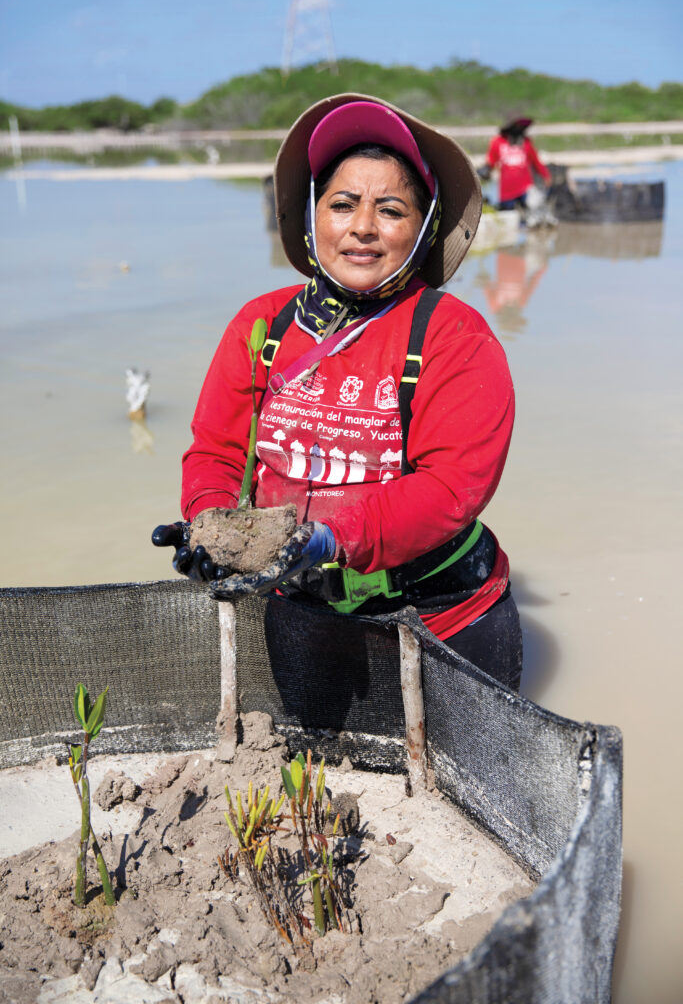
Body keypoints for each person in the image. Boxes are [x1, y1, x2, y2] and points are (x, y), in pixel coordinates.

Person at [153, 93, 523, 691]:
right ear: (313, 216)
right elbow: (217, 452)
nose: (363, 227)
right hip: (302, 611)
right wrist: (209, 522)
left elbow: (452, 488)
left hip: (441, 619)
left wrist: (330, 538)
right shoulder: (262, 325)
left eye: (392, 210)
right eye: (342, 204)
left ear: (424, 230)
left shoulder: (456, 335)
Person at [483, 116, 551, 212]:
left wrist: (545, 175)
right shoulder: (498, 142)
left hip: (525, 187)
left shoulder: (526, 142)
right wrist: (485, 171)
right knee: (509, 215)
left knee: (529, 212)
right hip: (507, 190)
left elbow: (536, 161)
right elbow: (491, 162)